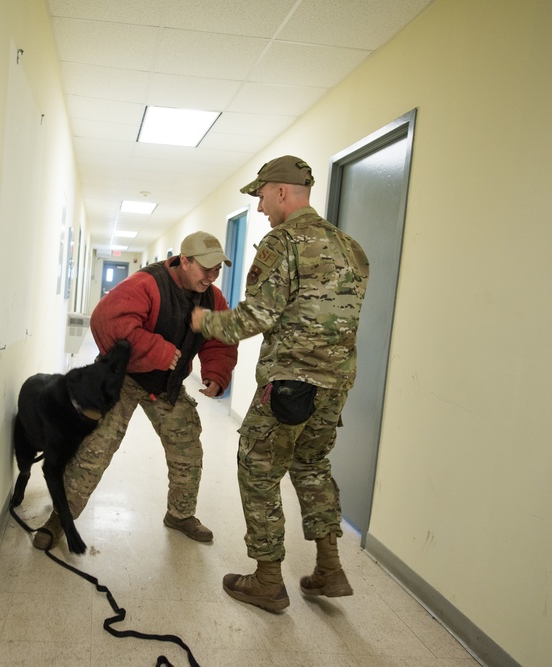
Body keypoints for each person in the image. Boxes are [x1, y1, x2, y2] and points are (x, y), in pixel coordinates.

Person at [190, 156, 369, 612]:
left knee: (258, 469)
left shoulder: (282, 243)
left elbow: (257, 316)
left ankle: (268, 579)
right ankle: (329, 568)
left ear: (283, 192)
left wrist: (205, 320)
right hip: (336, 383)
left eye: (263, 196)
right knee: (311, 464)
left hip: (290, 383)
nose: (260, 207)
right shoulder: (351, 247)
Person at [34, 231, 239, 550]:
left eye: (217, 270)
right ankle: (60, 518)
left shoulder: (212, 297)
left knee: (187, 448)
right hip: (123, 379)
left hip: (167, 385)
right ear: (184, 261)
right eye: (205, 269)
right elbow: (108, 321)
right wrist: (158, 351)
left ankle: (180, 515)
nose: (212, 276)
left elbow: (220, 337)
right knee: (96, 449)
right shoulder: (148, 283)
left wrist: (216, 374)